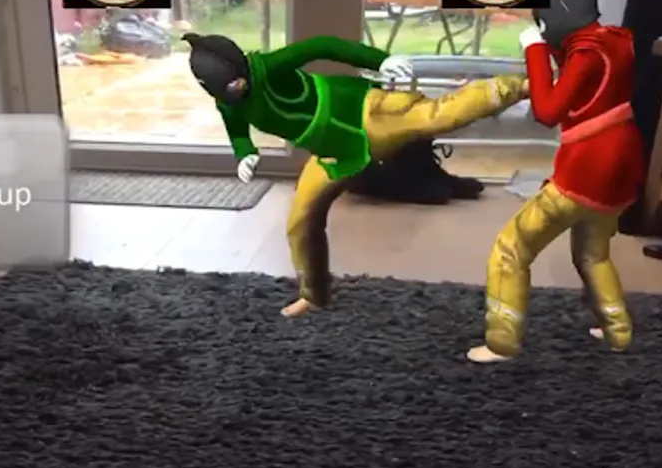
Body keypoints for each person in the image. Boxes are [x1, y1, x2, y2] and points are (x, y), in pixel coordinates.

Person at [183, 32, 528, 317]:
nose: (239, 89)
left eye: (239, 81)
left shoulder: (270, 67)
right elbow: (238, 130)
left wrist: (379, 60)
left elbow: (322, 44)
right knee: (300, 223)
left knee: (439, 115)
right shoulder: (227, 103)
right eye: (230, 89)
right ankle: (313, 295)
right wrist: (245, 153)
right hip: (332, 153)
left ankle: (522, 86)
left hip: (364, 115)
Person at [467, 0, 646, 363]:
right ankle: (618, 331)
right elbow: (577, 73)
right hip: (621, 165)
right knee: (593, 253)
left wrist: (534, 48)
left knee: (513, 247)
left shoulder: (585, 56)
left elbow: (548, 111)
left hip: (587, 168)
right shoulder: (614, 43)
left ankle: (502, 342)